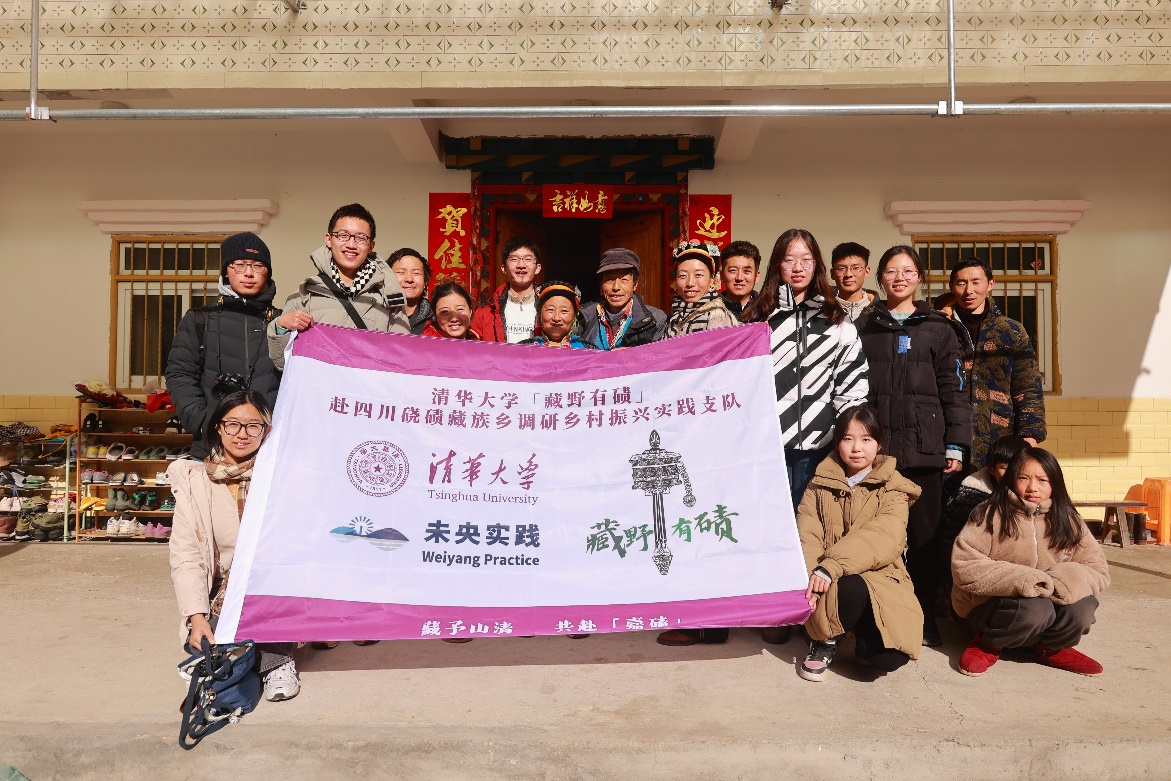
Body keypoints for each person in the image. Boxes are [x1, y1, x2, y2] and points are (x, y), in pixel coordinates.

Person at [855, 245, 973, 648]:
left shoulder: (939, 328)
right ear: (880, 278)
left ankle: (923, 618)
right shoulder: (866, 326)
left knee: (924, 540)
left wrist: (955, 444)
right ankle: (877, 616)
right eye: (891, 271)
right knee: (875, 537)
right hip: (879, 452)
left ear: (919, 277)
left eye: (907, 271)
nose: (899, 278)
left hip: (926, 449)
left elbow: (954, 390)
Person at [168, 390, 300, 702]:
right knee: (208, 641)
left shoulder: (284, 476)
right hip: (225, 588)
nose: (242, 434)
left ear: (267, 430)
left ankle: (277, 662)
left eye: (253, 425)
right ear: (218, 427)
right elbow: (187, 556)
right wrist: (196, 616)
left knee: (268, 598)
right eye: (233, 424)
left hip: (273, 582)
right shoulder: (195, 483)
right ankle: (234, 658)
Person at [952, 447, 1109, 677]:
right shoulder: (989, 514)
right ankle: (988, 644)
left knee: (1082, 607)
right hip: (992, 612)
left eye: (1042, 480)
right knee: (1036, 609)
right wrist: (1023, 579)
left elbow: (1097, 568)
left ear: (1054, 482)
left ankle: (1051, 648)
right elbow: (964, 564)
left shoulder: (1068, 518)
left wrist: (1062, 581)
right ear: (1011, 479)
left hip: (1048, 609)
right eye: (1023, 478)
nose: (1032, 487)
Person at [796, 406, 924, 681]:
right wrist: (814, 574)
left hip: (880, 576)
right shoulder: (818, 485)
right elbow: (808, 535)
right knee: (848, 586)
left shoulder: (894, 487)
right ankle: (824, 640)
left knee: (888, 659)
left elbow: (885, 535)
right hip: (828, 579)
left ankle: (861, 638)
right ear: (837, 443)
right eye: (847, 438)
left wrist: (832, 565)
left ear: (879, 444)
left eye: (866, 439)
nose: (856, 448)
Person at [165, 232, 282, 460]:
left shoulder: (281, 322)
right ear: (226, 271)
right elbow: (179, 374)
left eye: (257, 266)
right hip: (212, 446)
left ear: (267, 272)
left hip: (269, 447)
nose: (249, 273)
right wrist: (202, 422)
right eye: (239, 265)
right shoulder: (200, 319)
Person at [267, 203, 409, 371]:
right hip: (319, 387)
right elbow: (283, 365)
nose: (351, 244)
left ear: (371, 246)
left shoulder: (389, 298)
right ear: (329, 239)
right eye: (343, 235)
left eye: (361, 238)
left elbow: (402, 359)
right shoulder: (304, 295)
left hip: (367, 387)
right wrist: (281, 327)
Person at [937, 257, 1047, 468]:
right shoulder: (938, 329)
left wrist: (1030, 436)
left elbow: (1027, 386)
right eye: (961, 283)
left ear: (990, 283)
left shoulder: (1011, 331)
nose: (969, 290)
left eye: (976, 282)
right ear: (951, 287)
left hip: (1000, 440)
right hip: (947, 439)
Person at [937, 434, 1030, 582]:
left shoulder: (1040, 495)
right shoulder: (968, 499)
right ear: (991, 469)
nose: (1013, 474)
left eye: (1019, 468)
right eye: (1005, 468)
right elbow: (948, 543)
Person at [574, 248, 666, 349]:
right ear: (601, 284)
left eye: (624, 280)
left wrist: (633, 355)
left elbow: (660, 357)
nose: (616, 287)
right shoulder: (582, 317)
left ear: (635, 284)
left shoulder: (656, 320)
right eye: (609, 279)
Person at [470, 237, 542, 343]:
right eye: (514, 259)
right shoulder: (485, 313)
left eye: (528, 259)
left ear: (538, 268)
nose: (521, 265)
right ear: (504, 268)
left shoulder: (550, 308)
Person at [662, 240, 738, 338]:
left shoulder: (717, 316)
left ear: (712, 280)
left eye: (698, 275)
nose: (690, 283)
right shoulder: (676, 315)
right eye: (683, 275)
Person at [522, 282, 592, 349]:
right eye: (550, 310)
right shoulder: (523, 349)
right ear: (540, 314)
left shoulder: (589, 350)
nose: (556, 318)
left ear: (574, 316)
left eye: (564, 311)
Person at [388, 247, 433, 336]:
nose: (409, 279)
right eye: (401, 272)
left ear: (425, 282)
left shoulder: (437, 318)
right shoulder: (376, 312)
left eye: (416, 273)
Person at [830, 241, 878, 323]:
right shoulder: (822, 309)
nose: (848, 274)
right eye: (841, 269)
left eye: (856, 268)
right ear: (832, 273)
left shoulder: (880, 312)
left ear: (867, 272)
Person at [718, 240, 761, 318]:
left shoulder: (767, 311)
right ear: (722, 276)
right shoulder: (708, 311)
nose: (739, 278)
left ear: (757, 277)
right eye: (733, 270)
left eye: (747, 271)